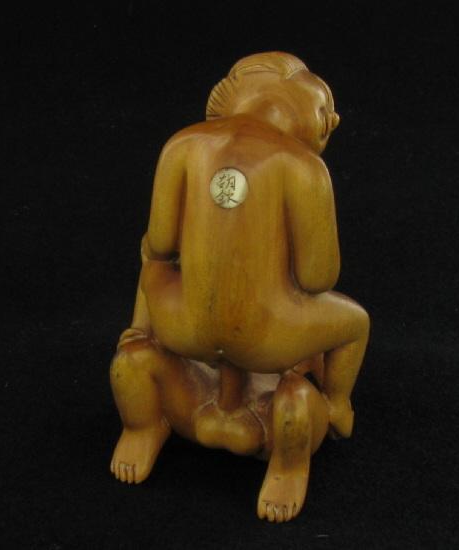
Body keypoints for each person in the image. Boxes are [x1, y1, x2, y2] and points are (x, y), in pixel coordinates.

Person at [110, 52, 370, 523]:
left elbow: (162, 245)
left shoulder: (181, 145)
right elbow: (318, 278)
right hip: (268, 339)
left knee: (150, 261)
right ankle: (331, 411)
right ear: (290, 100)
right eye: (324, 108)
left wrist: (148, 320)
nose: (332, 120)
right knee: (355, 322)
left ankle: (142, 424)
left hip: (182, 327)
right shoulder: (304, 167)